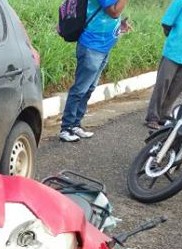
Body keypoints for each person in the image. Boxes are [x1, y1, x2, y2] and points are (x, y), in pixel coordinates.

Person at [60, 0, 129, 143]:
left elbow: (110, 15)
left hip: (104, 46)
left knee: (89, 88)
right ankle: (66, 128)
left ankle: (75, 124)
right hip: (92, 46)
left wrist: (119, 26)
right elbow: (114, 11)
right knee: (80, 89)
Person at [145, 0, 182, 129]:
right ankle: (152, 117)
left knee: (176, 87)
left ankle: (163, 115)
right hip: (174, 50)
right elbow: (167, 23)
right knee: (163, 84)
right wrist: (175, 39)